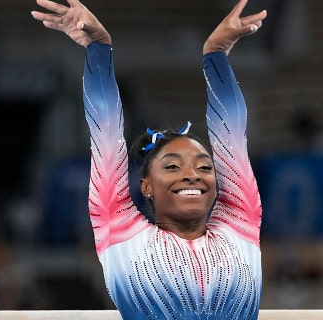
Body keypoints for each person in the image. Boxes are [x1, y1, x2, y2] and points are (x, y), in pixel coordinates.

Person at [32, 0, 266, 318]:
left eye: (204, 166)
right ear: (146, 186)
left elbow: (232, 134)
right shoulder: (120, 230)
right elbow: (106, 130)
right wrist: (98, 49)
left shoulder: (241, 223)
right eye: (172, 166)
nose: (192, 174)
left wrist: (216, 56)